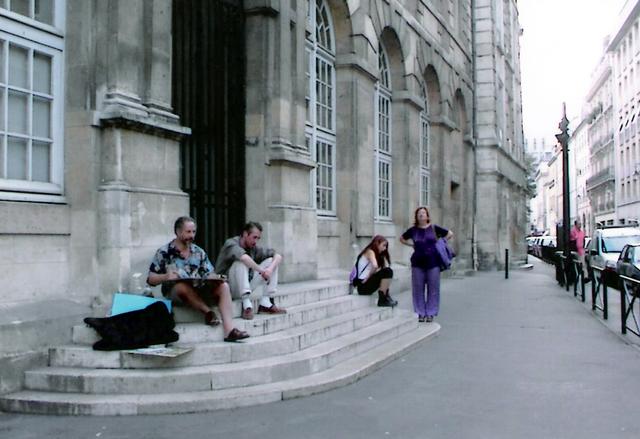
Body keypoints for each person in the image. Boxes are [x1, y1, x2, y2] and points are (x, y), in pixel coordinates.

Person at [147, 216, 249, 342]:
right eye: (188, 232)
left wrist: (217, 278)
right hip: (177, 293)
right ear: (178, 232)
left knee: (224, 286)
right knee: (180, 286)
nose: (192, 235)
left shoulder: (198, 252)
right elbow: (151, 279)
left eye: (193, 232)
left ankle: (230, 331)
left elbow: (209, 273)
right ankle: (208, 312)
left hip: (199, 288)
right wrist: (166, 276)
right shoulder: (164, 252)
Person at [215, 222, 286, 320]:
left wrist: (269, 270)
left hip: (244, 286)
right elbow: (244, 258)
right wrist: (262, 271)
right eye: (254, 237)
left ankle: (266, 302)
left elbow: (278, 256)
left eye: (258, 238)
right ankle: (246, 305)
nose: (256, 241)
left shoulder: (253, 248)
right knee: (240, 262)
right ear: (245, 234)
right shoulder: (231, 244)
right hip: (227, 288)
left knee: (271, 261)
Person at [400, 206, 453, 323]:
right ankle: (420, 313)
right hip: (417, 263)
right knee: (418, 288)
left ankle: (430, 313)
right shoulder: (413, 230)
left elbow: (449, 233)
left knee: (433, 288)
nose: (421, 215)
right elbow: (402, 239)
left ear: (427, 216)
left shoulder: (434, 228)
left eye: (423, 213)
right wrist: (411, 245)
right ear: (416, 216)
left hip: (433, 262)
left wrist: (441, 242)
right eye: (419, 213)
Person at [353, 235, 397, 307]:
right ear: (377, 244)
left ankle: (385, 296)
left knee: (387, 271)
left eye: (386, 246)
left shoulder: (376, 253)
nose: (385, 248)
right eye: (383, 245)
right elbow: (375, 266)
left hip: (365, 286)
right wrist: (367, 278)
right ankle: (382, 300)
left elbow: (382, 268)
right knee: (387, 272)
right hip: (362, 287)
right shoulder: (370, 251)